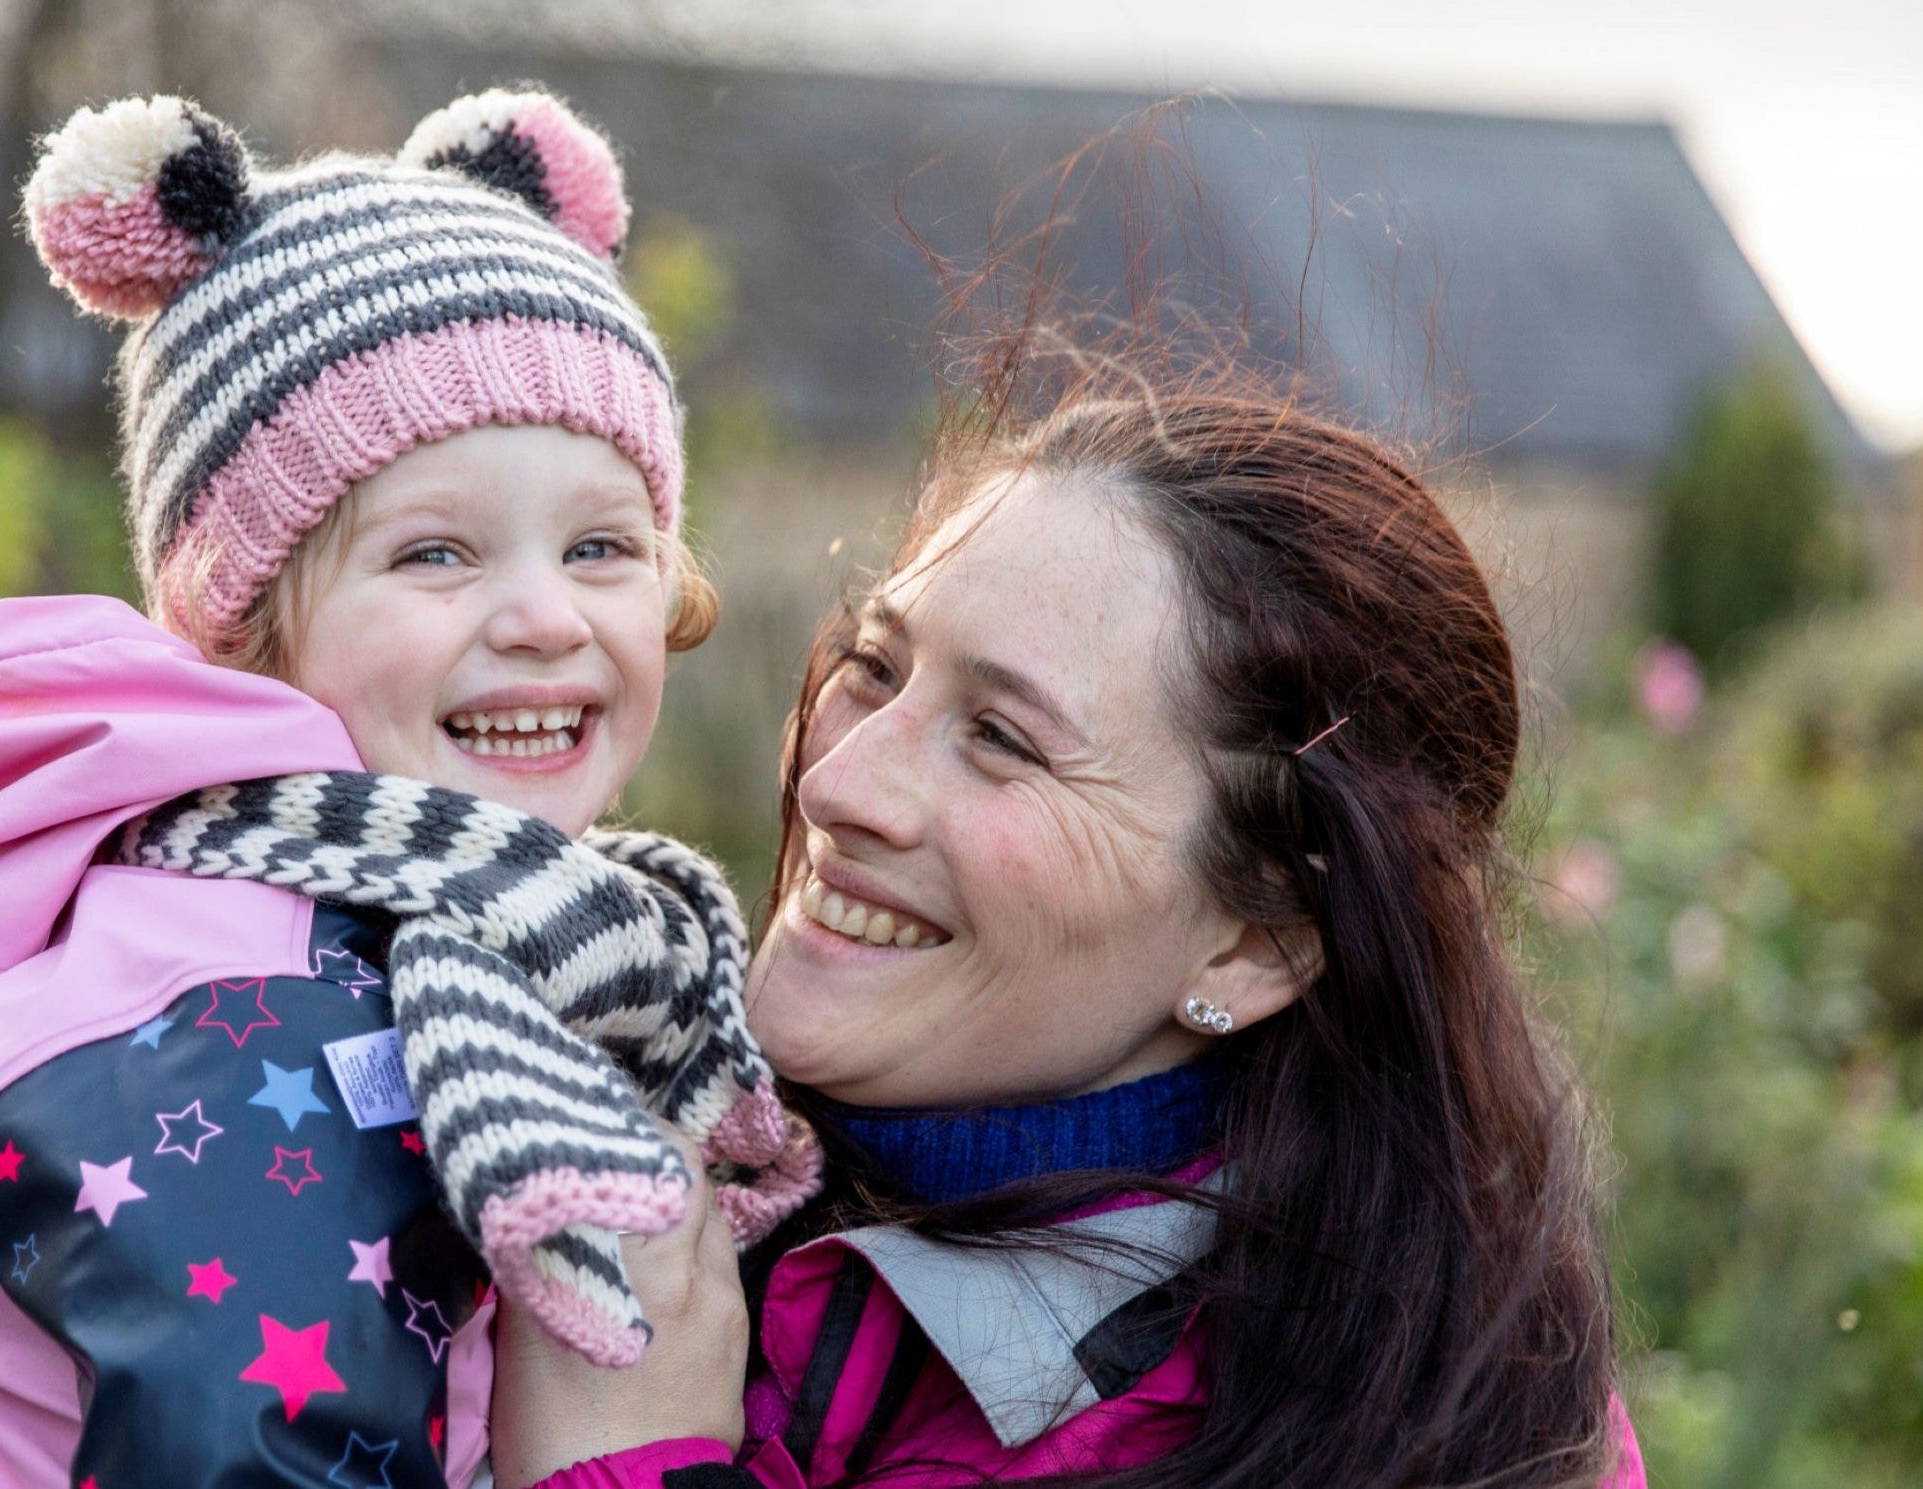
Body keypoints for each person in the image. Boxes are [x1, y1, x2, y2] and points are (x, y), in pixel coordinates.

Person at [0, 86, 810, 1489]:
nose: (545, 619)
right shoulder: (235, 1019)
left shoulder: (510, 934)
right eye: (435, 555)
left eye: (603, 548)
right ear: (239, 618)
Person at [493, 333, 1648, 1487]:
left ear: (1261, 941)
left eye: (1001, 740)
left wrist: (620, 1463)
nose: (831, 783)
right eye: (877, 666)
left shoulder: (1395, 1445)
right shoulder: (609, 1124)